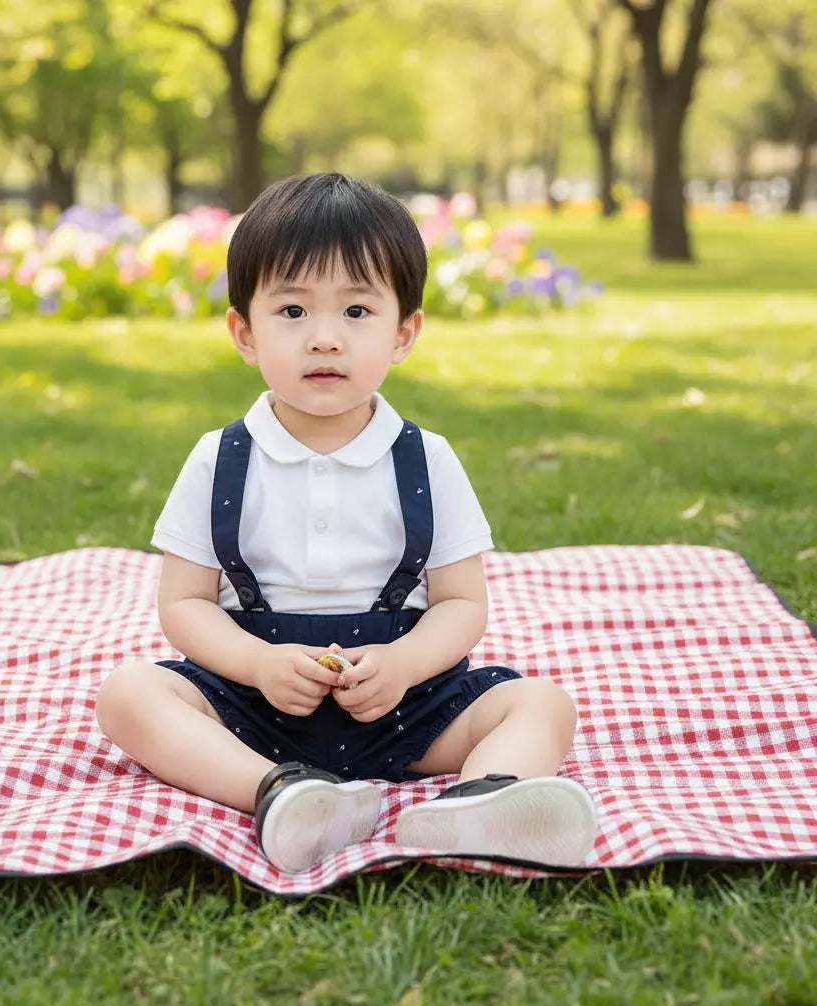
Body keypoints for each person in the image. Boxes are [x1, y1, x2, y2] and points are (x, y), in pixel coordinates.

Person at [96, 172, 597, 874]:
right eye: (293, 311)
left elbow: (461, 603)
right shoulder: (220, 459)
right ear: (245, 333)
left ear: (404, 333)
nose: (325, 339)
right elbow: (183, 603)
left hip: (406, 707)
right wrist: (258, 665)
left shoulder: (426, 459)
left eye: (357, 311)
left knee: (542, 702)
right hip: (252, 707)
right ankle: (279, 792)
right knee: (129, 695)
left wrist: (405, 664)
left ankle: (487, 798)